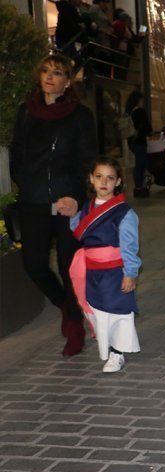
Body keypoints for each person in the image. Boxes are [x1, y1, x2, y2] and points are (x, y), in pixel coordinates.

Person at [9, 54, 98, 357]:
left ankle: (74, 325)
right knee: (33, 264)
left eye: (57, 72)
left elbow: (88, 158)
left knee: (67, 266)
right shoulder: (26, 112)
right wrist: (26, 183)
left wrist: (75, 195)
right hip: (35, 202)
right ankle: (67, 308)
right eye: (45, 70)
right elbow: (17, 154)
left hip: (68, 203)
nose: (49, 77)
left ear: (67, 81)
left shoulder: (80, 115)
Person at [66, 156, 140, 373]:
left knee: (118, 311)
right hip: (91, 270)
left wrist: (130, 272)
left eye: (110, 178)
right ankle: (108, 346)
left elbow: (130, 245)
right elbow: (79, 231)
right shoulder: (87, 208)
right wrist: (72, 216)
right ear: (91, 179)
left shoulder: (124, 212)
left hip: (116, 271)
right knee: (97, 310)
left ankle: (117, 352)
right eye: (99, 177)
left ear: (117, 182)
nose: (104, 182)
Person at [125, 90, 152, 197]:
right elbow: (147, 127)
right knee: (141, 164)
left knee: (139, 163)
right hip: (140, 141)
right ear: (138, 100)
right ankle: (139, 187)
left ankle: (139, 186)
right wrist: (150, 132)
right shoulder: (140, 111)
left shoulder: (129, 111)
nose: (143, 102)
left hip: (132, 142)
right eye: (142, 100)